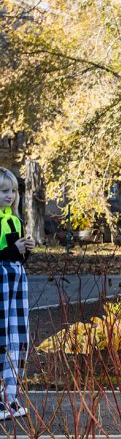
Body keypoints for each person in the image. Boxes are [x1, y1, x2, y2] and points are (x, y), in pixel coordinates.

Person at [0, 168, 34, 421]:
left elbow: (15, 255)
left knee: (16, 336)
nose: (10, 196)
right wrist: (13, 250)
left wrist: (25, 251)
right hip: (2, 281)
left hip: (15, 281)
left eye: (13, 191)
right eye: (3, 191)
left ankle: (9, 396)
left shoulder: (14, 220)